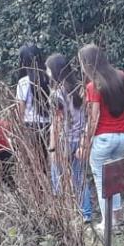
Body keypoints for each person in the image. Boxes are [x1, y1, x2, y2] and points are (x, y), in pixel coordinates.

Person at [77, 44, 124, 232]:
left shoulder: (94, 85)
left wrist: (84, 144)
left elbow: (94, 118)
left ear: (86, 64)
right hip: (123, 136)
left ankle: (108, 224)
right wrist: (120, 120)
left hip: (103, 138)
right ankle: (116, 220)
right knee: (115, 177)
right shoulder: (122, 76)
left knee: (102, 180)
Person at [46, 53, 92, 222]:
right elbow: (87, 115)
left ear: (54, 71)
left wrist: (52, 148)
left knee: (57, 175)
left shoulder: (56, 95)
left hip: (64, 141)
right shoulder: (80, 89)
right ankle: (86, 213)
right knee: (80, 177)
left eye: (48, 69)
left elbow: (56, 123)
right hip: (80, 139)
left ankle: (61, 212)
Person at [16, 43, 51, 157]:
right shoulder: (49, 78)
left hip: (31, 126)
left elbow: (20, 109)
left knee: (36, 161)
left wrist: (19, 129)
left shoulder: (23, 82)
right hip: (49, 124)